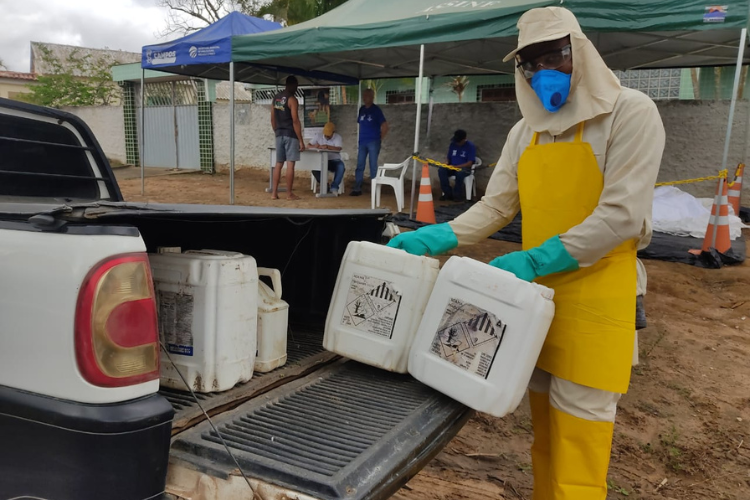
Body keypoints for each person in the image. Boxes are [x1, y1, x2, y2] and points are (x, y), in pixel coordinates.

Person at [388, 7, 665, 500]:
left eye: (554, 55)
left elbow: (621, 214)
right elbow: (497, 206)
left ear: (579, 51)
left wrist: (537, 257)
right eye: (530, 63)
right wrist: (441, 235)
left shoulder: (631, 112)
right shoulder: (525, 132)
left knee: (581, 434)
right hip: (535, 301)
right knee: (544, 431)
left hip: (598, 295)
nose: (543, 71)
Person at [270, 76, 305, 200]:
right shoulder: (292, 99)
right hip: (290, 134)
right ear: (292, 85)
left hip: (279, 133)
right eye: (296, 86)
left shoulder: (276, 98)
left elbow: (272, 118)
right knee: (290, 164)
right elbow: (295, 120)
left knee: (278, 164)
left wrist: (276, 131)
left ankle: (274, 193)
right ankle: (289, 194)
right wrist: (300, 140)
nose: (296, 89)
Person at [350, 88, 388, 196]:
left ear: (372, 97)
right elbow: (360, 123)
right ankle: (357, 188)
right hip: (362, 141)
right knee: (360, 164)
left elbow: (385, 126)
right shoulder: (362, 109)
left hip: (373, 141)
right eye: (364, 95)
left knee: (373, 165)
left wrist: (379, 138)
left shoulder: (376, 110)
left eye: (367, 95)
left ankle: (375, 189)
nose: (364, 97)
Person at [309, 121, 346, 196]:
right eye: (325, 134)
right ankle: (324, 185)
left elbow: (338, 148)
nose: (327, 136)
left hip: (333, 160)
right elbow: (308, 145)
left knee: (341, 167)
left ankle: (334, 187)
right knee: (314, 169)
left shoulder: (338, 137)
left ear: (333, 132)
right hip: (321, 161)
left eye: (329, 135)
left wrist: (327, 146)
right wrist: (315, 146)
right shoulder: (318, 136)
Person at [439, 129, 476, 201]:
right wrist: (446, 163)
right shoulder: (453, 144)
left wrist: (456, 167)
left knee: (460, 173)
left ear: (464, 139)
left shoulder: (470, 146)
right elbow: (449, 158)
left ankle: (457, 195)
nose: (457, 143)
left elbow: (469, 163)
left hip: (464, 168)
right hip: (452, 166)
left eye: (459, 141)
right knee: (441, 170)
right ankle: (447, 193)